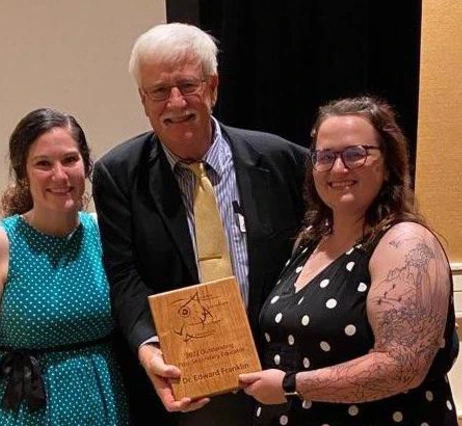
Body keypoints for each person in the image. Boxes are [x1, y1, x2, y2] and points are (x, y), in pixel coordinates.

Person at [92, 23, 307, 426]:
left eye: (187, 85)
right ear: (143, 100)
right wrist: (147, 346)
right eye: (159, 91)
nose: (175, 102)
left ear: (213, 87)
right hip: (192, 381)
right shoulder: (118, 175)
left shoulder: (282, 160)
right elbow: (124, 275)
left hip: (285, 368)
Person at [238, 96, 459, 425]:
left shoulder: (405, 243)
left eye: (355, 154)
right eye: (324, 157)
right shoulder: (311, 240)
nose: (338, 168)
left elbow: (401, 367)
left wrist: (290, 386)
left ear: (387, 164)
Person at [0, 108, 130, 425]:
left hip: (98, 409)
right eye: (43, 164)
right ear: (24, 173)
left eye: (70, 160)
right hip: (20, 412)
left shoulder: (103, 234)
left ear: (86, 165)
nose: (59, 176)